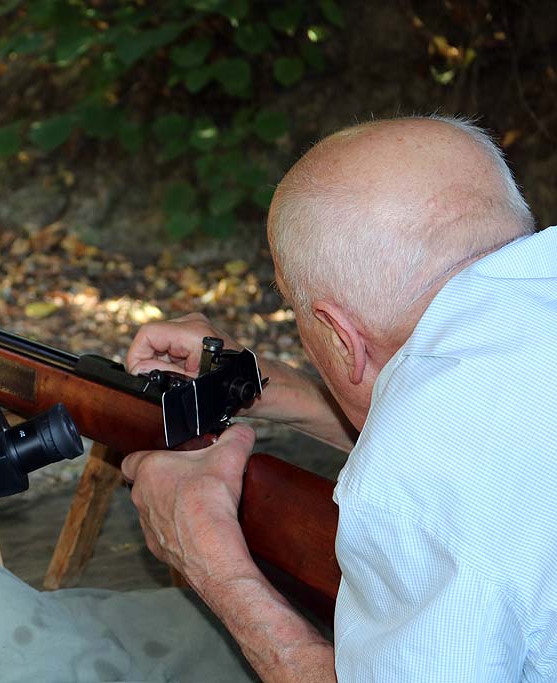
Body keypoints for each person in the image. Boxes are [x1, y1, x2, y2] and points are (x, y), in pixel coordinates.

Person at [122, 116, 557, 682]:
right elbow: (490, 450)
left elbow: (437, 472)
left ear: (339, 334)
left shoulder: (411, 480)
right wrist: (265, 384)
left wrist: (215, 565)